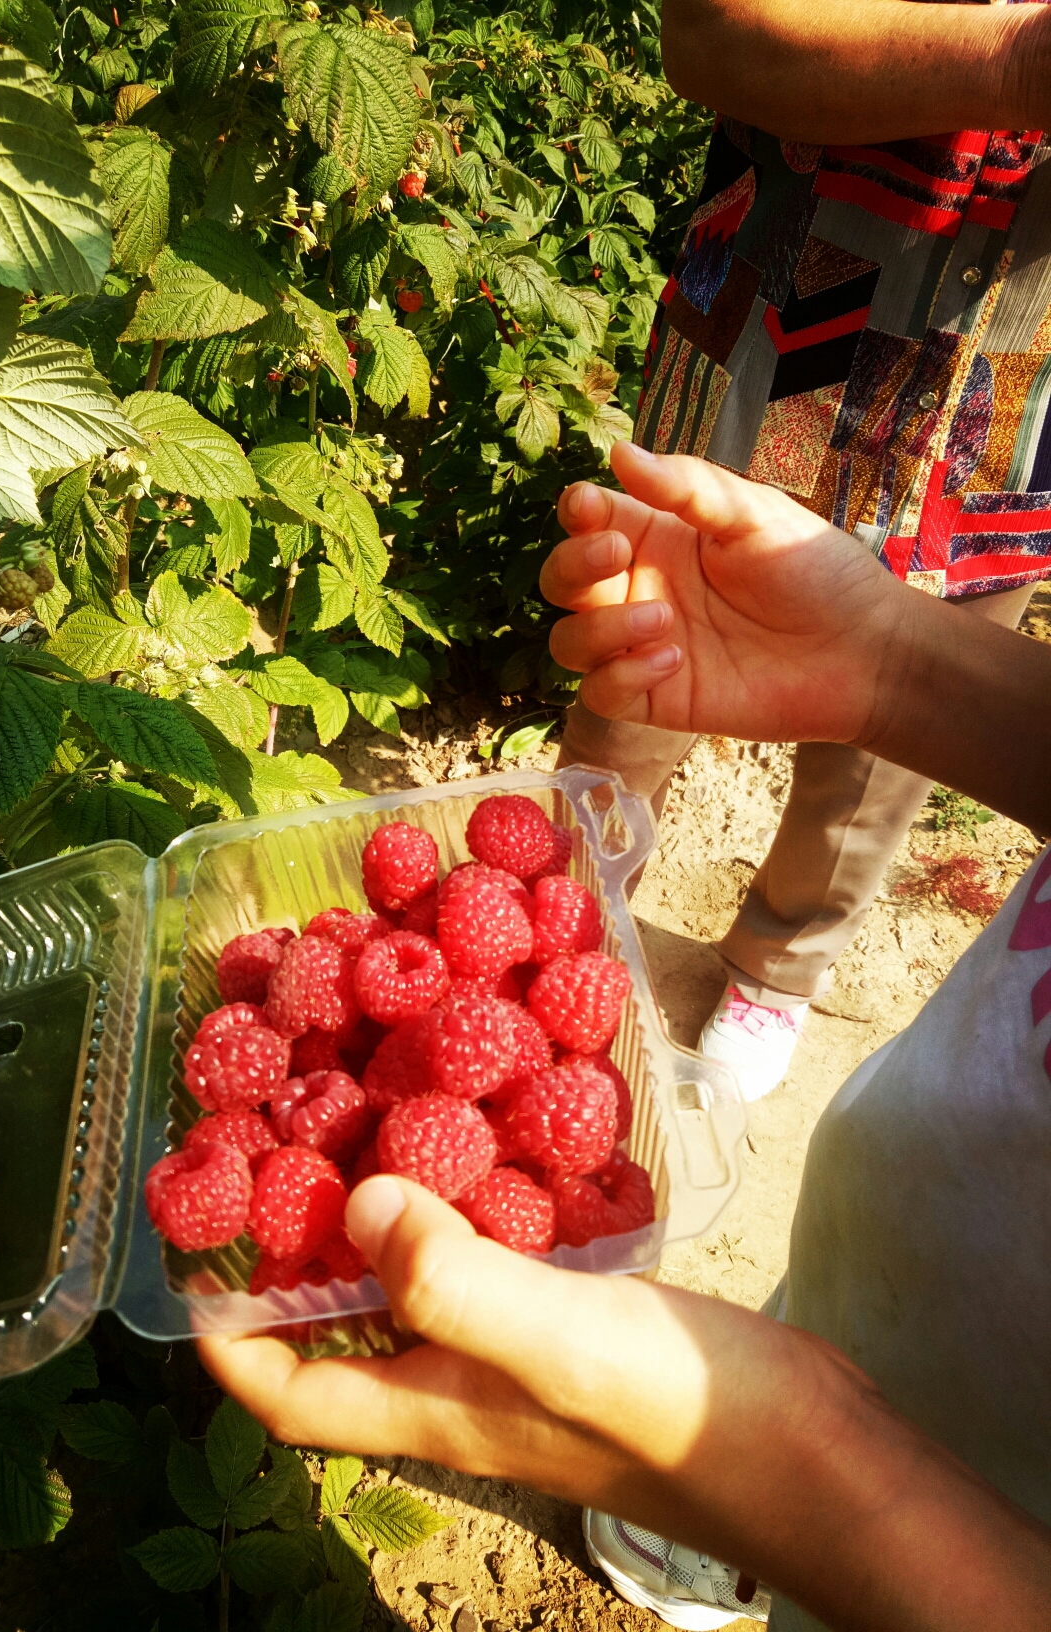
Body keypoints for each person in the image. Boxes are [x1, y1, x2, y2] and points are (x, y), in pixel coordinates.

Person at [199, 446, 1051, 1632]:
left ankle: (755, 1534)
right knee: (855, 1296)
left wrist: (804, 1477)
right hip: (927, 1181)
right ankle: (779, 1456)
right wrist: (893, 659)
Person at [557, 0, 1051, 1100]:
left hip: (1019, 366)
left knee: (919, 691)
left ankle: (779, 965)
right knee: (663, 636)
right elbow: (707, 33)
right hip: (789, 308)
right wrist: (1015, 60)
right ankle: (551, 907)